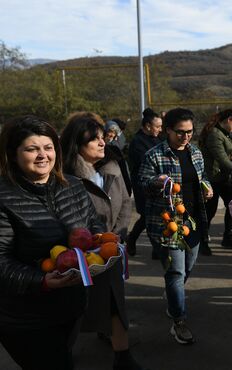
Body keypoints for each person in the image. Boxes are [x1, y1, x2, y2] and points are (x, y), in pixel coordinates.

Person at [0, 116, 103, 370]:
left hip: (70, 306)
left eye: (48, 148)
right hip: (25, 317)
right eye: (31, 149)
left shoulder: (74, 185)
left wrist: (103, 245)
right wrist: (41, 280)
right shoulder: (4, 197)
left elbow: (93, 226)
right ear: (13, 155)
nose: (42, 155)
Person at [60, 112, 142, 370]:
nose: (102, 142)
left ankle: (123, 356)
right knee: (74, 308)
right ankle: (63, 353)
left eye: (101, 137)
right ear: (77, 145)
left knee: (115, 303)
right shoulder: (64, 179)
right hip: (79, 255)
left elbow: (126, 203)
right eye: (93, 139)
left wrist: (117, 235)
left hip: (110, 249)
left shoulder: (112, 167)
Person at [138, 107, 213, 344]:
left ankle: (174, 295)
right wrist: (156, 183)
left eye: (190, 132)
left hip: (194, 221)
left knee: (187, 267)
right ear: (168, 130)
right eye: (180, 132)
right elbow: (142, 184)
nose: (185, 137)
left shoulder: (196, 153)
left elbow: (200, 178)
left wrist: (206, 187)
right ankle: (178, 320)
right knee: (176, 272)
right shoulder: (154, 155)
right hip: (168, 224)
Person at [199, 109, 232, 250]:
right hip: (213, 178)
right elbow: (222, 159)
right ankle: (203, 240)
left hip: (223, 177)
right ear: (229, 120)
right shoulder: (214, 135)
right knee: (209, 211)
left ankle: (228, 237)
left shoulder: (227, 134)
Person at [126, 108, 163, 257]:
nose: (160, 130)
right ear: (148, 126)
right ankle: (134, 240)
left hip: (158, 183)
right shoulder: (137, 142)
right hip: (143, 185)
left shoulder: (158, 139)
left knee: (155, 214)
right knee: (147, 215)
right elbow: (146, 163)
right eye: (157, 127)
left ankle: (155, 247)